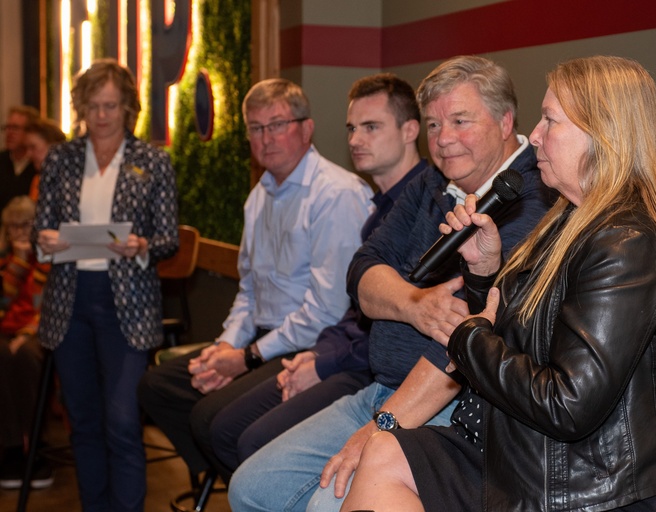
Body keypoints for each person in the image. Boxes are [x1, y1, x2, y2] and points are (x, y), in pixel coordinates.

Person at [341, 55, 656, 512]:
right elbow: (525, 334)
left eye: (550, 121)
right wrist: (484, 276)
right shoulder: (569, 219)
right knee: (384, 451)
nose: (534, 135)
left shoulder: (627, 243)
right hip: (533, 448)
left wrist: (465, 335)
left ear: (603, 136)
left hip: (595, 482)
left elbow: (567, 405)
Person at [228, 55, 556, 511]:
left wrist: (383, 426)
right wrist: (414, 303)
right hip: (380, 387)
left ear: (505, 122)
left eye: (460, 121)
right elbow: (362, 272)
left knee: (327, 504)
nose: (443, 140)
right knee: (250, 489)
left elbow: (458, 348)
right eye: (434, 125)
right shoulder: (434, 183)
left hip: (450, 410)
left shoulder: (534, 200)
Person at [137, 78, 372, 486]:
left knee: (209, 418)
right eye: (256, 128)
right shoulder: (258, 196)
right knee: (157, 385)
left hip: (310, 346)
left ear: (306, 128)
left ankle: (246, 481)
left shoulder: (336, 193)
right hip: (259, 341)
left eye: (277, 124)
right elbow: (249, 290)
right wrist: (228, 345)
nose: (266, 138)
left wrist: (245, 359)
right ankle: (231, 477)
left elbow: (326, 310)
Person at [207, 73, 428, 480]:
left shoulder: (423, 207)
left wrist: (320, 364)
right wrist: (313, 356)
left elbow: (397, 334)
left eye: (371, 127)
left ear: (410, 129)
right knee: (217, 424)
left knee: (244, 437)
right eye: (351, 128)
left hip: (386, 377)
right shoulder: (379, 210)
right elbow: (353, 313)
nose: (356, 139)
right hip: (341, 354)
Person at [34, 58, 179, 512]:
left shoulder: (152, 161)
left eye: (111, 105)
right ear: (81, 107)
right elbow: (41, 231)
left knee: (120, 421)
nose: (101, 115)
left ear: (128, 108)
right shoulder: (61, 158)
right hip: (69, 300)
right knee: (84, 421)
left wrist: (140, 246)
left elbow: (167, 239)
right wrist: (46, 240)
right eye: (93, 105)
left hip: (127, 305)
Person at [0, 196, 52, 490]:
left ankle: (36, 446)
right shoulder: (5, 260)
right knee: (2, 356)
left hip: (38, 331)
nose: (18, 232)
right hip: (5, 330)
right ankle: (10, 448)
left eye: (25, 225)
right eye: (12, 227)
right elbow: (4, 302)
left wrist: (27, 334)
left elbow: (48, 306)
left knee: (26, 357)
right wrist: (18, 263)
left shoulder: (49, 260)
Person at [0, 106, 40, 212]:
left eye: (15, 128)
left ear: (30, 132)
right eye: (7, 127)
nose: (9, 133)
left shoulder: (37, 165)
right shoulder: (2, 160)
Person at [24, 117, 67, 200]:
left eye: (33, 147)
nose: (28, 155)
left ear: (54, 146)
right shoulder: (37, 180)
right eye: (26, 148)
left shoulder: (71, 180)